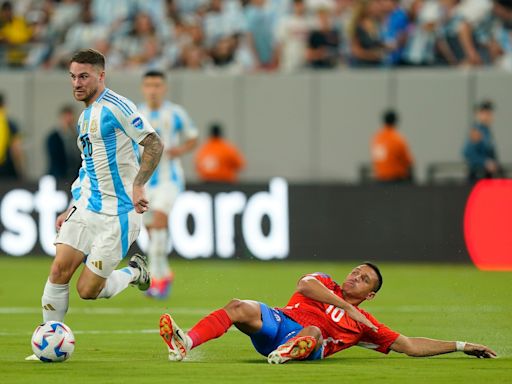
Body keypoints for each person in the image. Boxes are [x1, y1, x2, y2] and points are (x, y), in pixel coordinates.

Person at [26, 49, 164, 360]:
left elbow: (154, 143)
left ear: (101, 76)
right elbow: (89, 167)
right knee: (59, 269)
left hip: (118, 214)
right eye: (73, 77)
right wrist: (71, 205)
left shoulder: (118, 107)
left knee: (87, 291)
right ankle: (49, 343)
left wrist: (139, 184)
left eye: (84, 76)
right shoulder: (84, 116)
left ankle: (134, 272)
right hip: (87, 206)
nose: (77, 83)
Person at [159, 263, 497, 364]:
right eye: (354, 272)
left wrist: (461, 345)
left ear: (371, 294)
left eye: (363, 279)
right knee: (237, 306)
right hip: (279, 325)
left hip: (310, 343)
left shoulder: (366, 326)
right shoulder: (324, 283)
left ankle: (293, 353)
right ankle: (186, 341)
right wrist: (347, 305)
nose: (354, 277)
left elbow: (408, 345)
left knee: (317, 335)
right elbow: (303, 287)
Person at [138, 70, 198, 299]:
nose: (153, 89)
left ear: (164, 88)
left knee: (161, 219)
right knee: (152, 231)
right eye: (149, 85)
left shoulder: (175, 113)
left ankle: (155, 280)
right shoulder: (136, 112)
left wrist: (179, 150)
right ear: (143, 88)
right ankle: (165, 273)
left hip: (169, 180)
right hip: (143, 182)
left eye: (157, 85)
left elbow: (193, 136)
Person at [370, 109, 414, 183]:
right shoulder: (397, 139)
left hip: (380, 179)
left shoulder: (377, 139)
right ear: (395, 121)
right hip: (396, 179)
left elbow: (377, 159)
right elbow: (409, 162)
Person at [463, 100, 500, 182]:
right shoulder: (477, 131)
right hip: (478, 176)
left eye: (490, 113)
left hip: (487, 176)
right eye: (485, 113)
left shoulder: (487, 132)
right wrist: (485, 162)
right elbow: (468, 153)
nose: (489, 116)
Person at [46, 104, 81, 183]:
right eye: (66, 119)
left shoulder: (79, 137)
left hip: (76, 178)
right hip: (59, 178)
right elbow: (55, 160)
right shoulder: (53, 138)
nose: (68, 122)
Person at [0, 92, 24, 179]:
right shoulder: (10, 124)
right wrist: (21, 172)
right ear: (4, 104)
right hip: (6, 171)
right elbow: (16, 150)